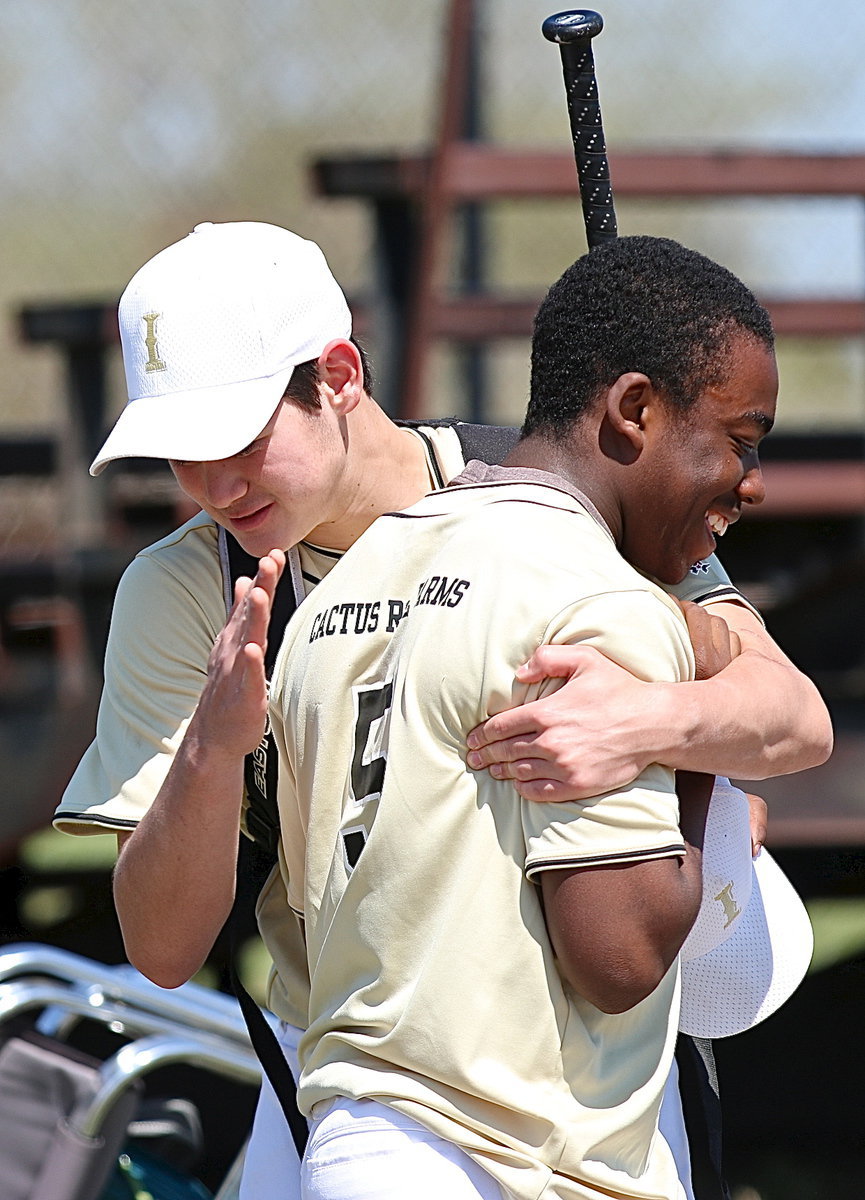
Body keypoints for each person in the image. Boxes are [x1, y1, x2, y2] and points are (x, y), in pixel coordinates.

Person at [51, 223, 830, 1197]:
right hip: (351, 1094)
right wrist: (213, 753)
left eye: (239, 440)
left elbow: (788, 714)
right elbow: (163, 949)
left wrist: (656, 733)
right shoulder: (187, 591)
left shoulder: (564, 485)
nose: (212, 486)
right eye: (179, 455)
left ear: (338, 375)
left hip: (598, 1091)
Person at [257, 234, 788, 1199]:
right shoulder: (596, 599)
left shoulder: (344, 587)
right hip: (503, 1157)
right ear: (633, 410)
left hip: (343, 1136)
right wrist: (694, 755)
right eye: (740, 442)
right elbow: (618, 956)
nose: (750, 484)